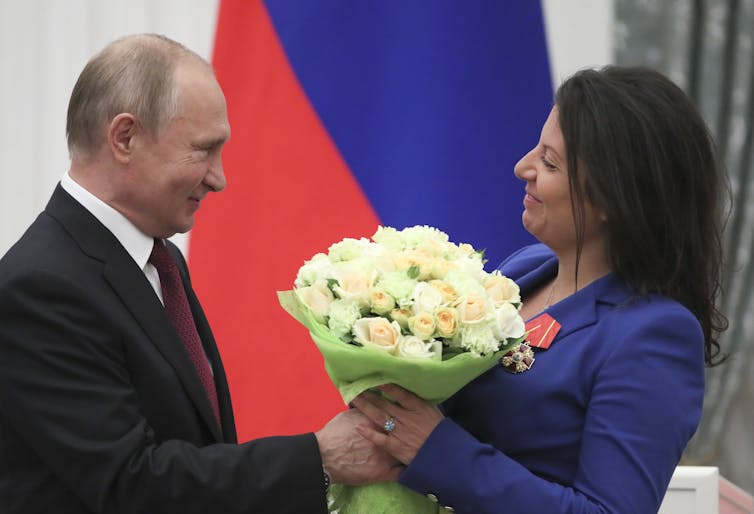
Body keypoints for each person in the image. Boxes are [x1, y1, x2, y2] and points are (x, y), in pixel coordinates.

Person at [0, 34, 399, 514]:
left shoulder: (159, 260)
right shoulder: (39, 288)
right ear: (125, 138)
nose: (219, 178)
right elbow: (131, 484)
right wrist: (318, 457)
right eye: (204, 150)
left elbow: (195, 448)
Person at [352, 65, 728, 513]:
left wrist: (435, 451)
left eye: (550, 162)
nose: (522, 167)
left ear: (613, 197)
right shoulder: (527, 268)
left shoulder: (654, 334)